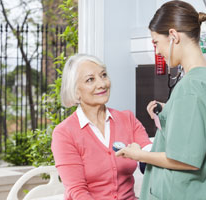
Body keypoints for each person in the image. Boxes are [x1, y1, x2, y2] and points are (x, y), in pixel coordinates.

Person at [116, 1, 206, 199]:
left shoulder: (190, 88)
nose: (157, 51)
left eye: (156, 42)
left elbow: (186, 160)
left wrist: (138, 154)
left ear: (173, 36)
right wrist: (169, 110)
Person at [51, 54, 152, 200]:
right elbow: (77, 191)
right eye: (90, 80)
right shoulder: (64, 133)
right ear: (76, 91)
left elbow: (151, 157)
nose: (102, 84)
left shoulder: (127, 119)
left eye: (103, 75)